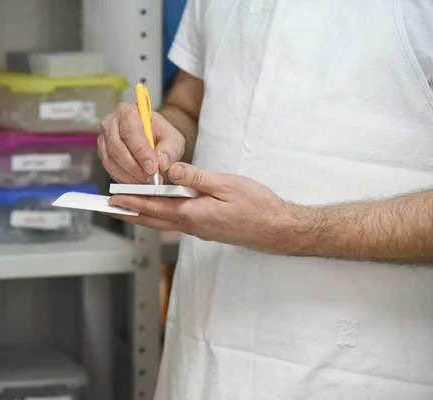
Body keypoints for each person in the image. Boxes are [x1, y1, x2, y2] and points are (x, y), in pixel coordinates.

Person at [97, 1, 433, 399]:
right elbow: (188, 104)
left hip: (364, 371)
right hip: (201, 360)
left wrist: (289, 228)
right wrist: (161, 136)